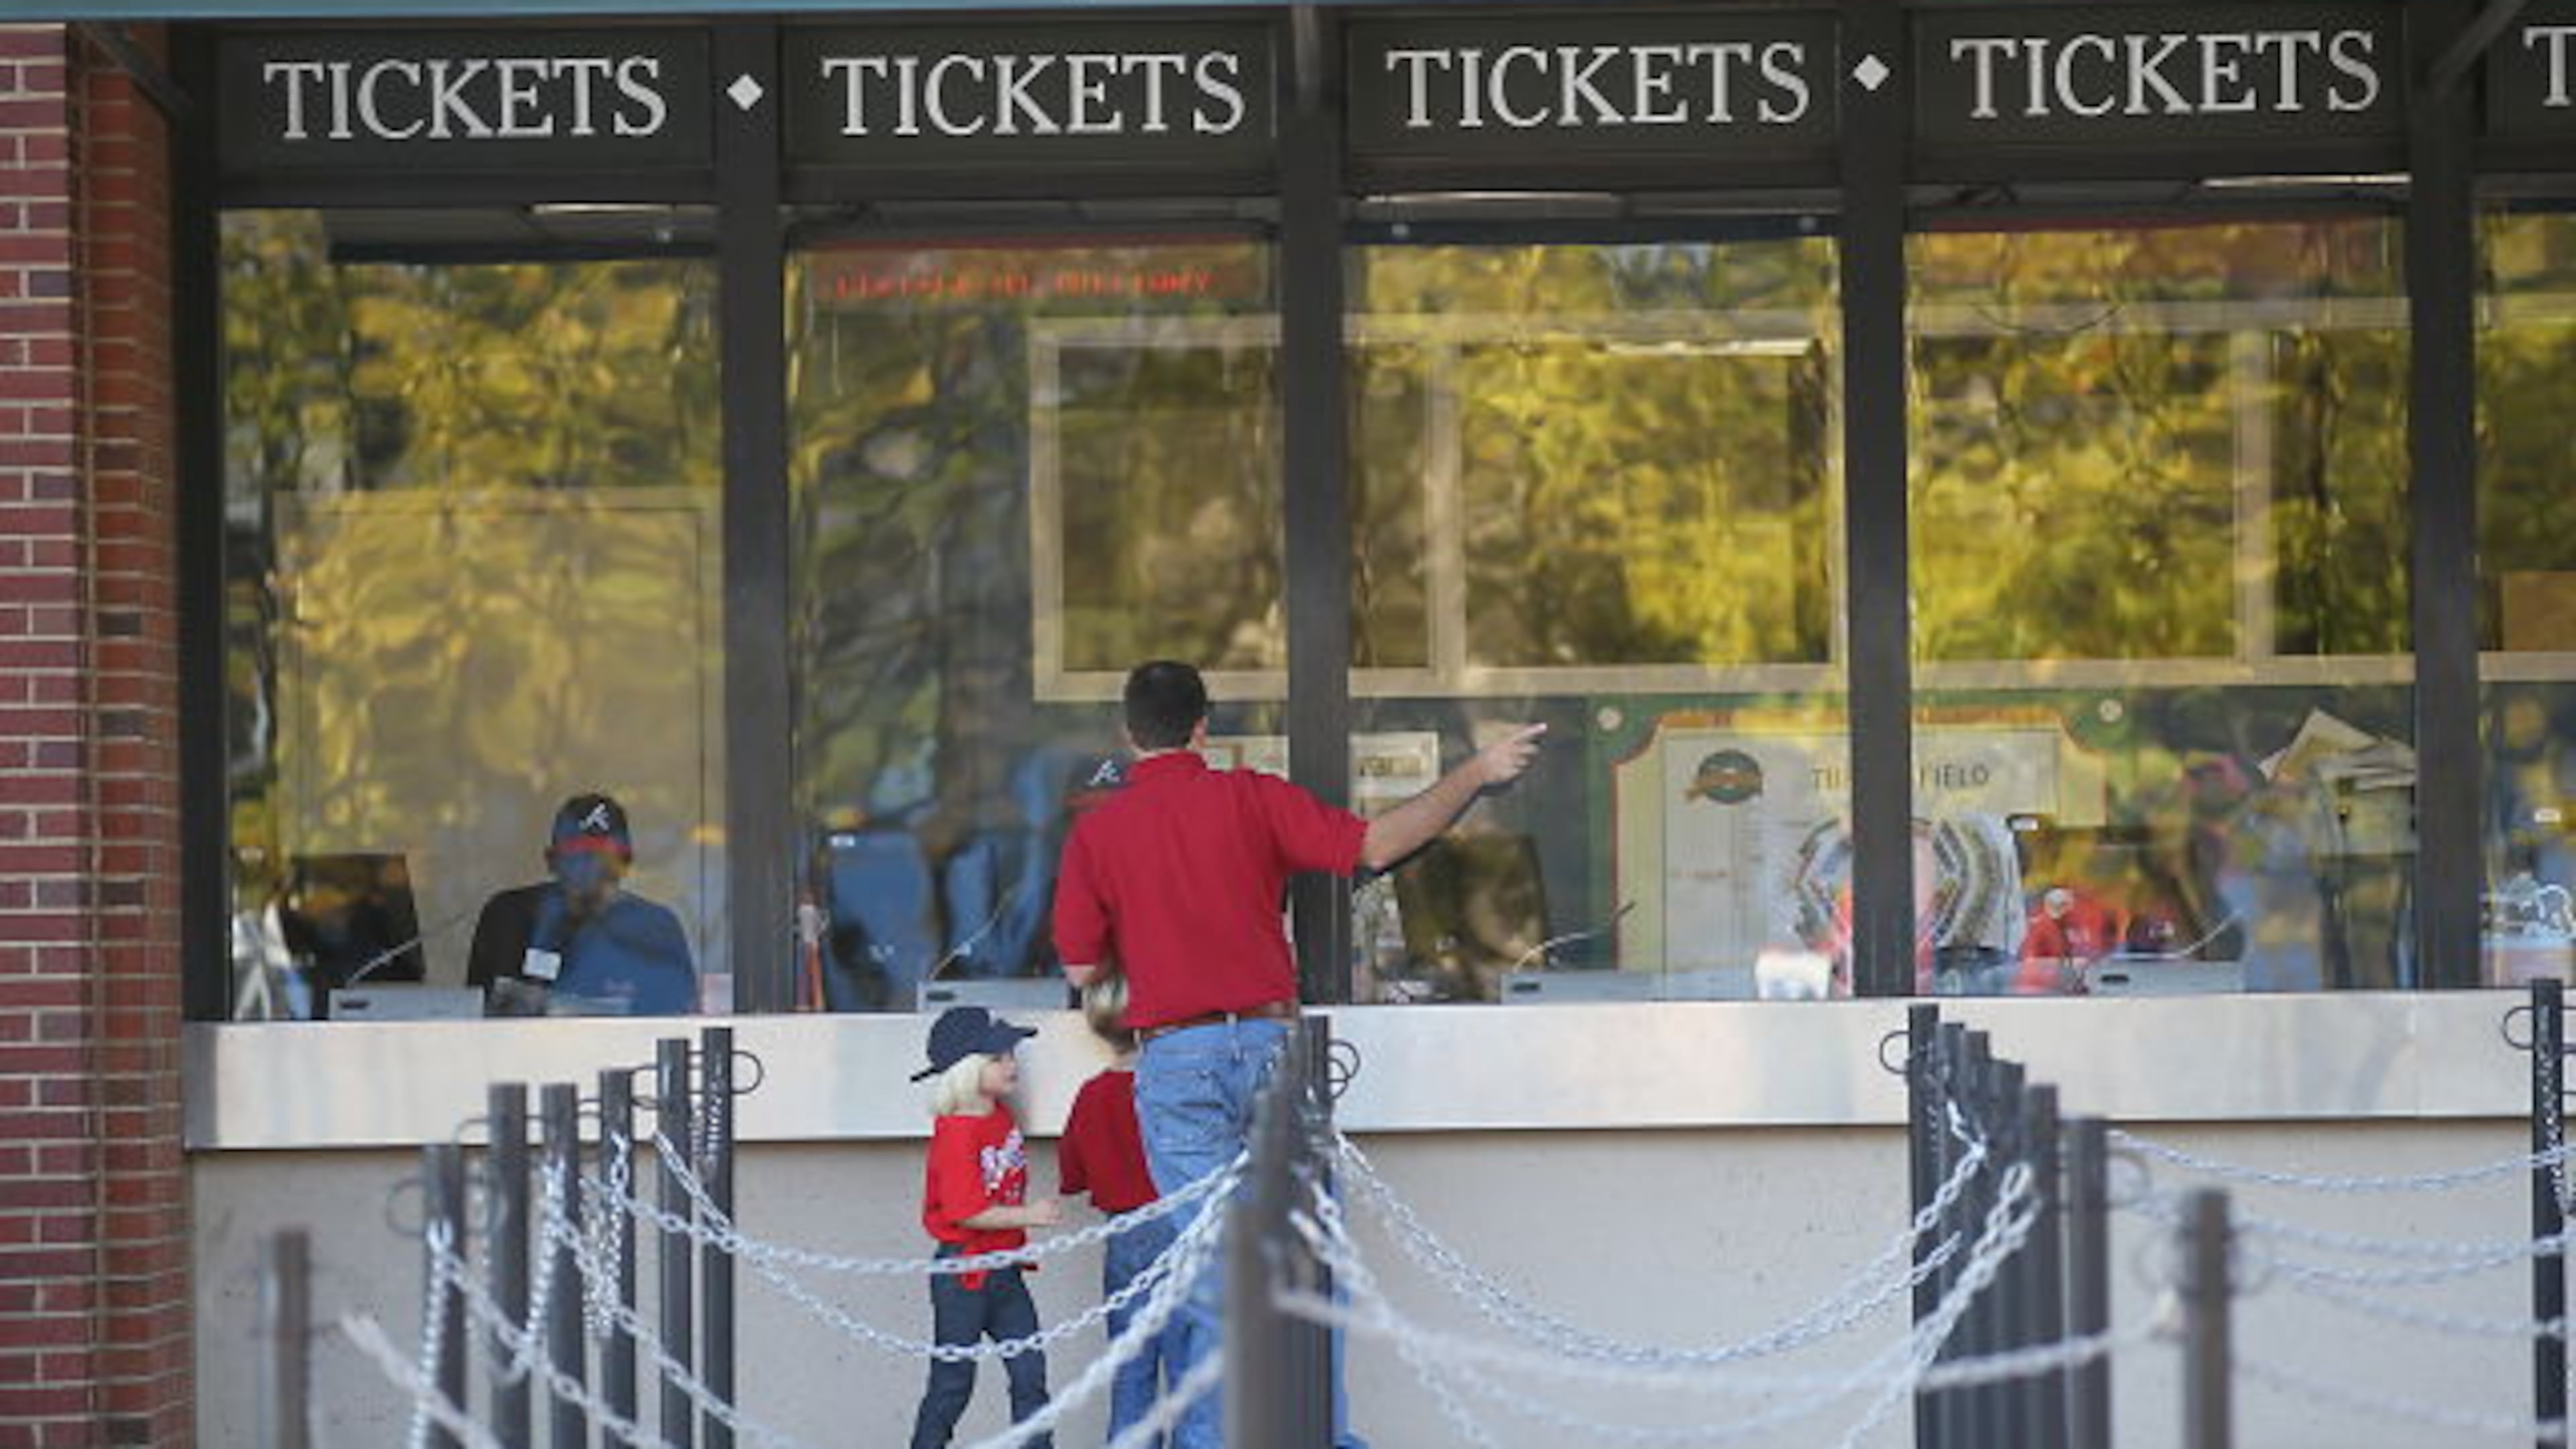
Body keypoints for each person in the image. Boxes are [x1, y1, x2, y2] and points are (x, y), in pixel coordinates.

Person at [1053, 659, 1545, 1448]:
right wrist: (1478, 772)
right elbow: (1378, 846)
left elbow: (1082, 971)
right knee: (1309, 1264)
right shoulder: (1252, 798)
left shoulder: (1099, 832)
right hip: (1277, 1047)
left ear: (1127, 734)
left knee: (1214, 1281)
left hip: (1176, 1057)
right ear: (1204, 727)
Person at [909, 1006, 1062, 1449]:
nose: (1011, 1064)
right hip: (964, 1274)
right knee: (953, 1385)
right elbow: (964, 1210)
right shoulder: (957, 1131)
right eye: (998, 1057)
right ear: (967, 1069)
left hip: (1005, 1271)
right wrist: (1029, 1216)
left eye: (1010, 1054)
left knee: (1030, 1374)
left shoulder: (999, 1118)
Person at [1058, 973, 1176, 1447]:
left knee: (1131, 1374)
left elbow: (1073, 1173)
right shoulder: (1173, 1088)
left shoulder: (1092, 1095)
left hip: (1123, 1234)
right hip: (1181, 1223)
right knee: (1192, 1371)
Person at [464, 793, 697, 1016]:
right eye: (575, 856)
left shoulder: (655, 929)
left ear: (626, 865)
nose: (590, 870)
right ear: (551, 861)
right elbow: (476, 1013)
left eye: (606, 860)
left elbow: (674, 1024)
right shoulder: (510, 918)